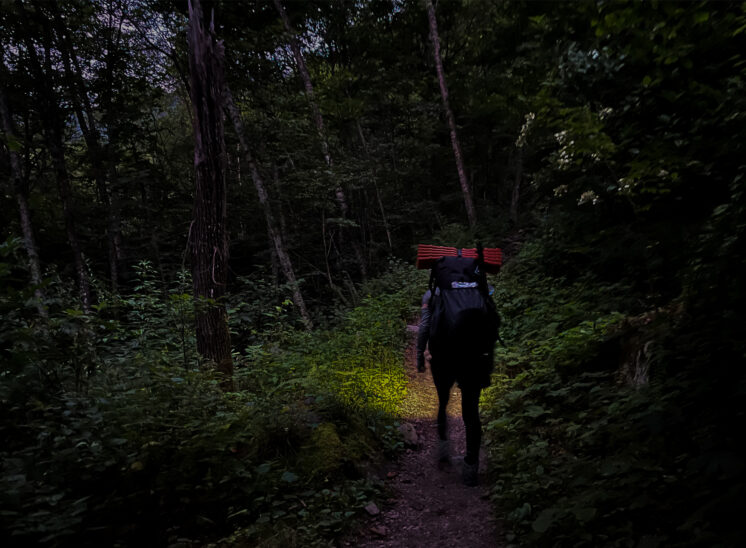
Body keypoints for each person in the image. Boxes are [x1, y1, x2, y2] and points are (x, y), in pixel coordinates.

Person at [416, 288, 487, 487]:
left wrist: (420, 355)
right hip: (473, 358)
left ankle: (443, 449)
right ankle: (471, 466)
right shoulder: (479, 289)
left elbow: (424, 327)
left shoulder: (432, 294)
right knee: (471, 411)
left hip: (442, 357)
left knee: (443, 401)